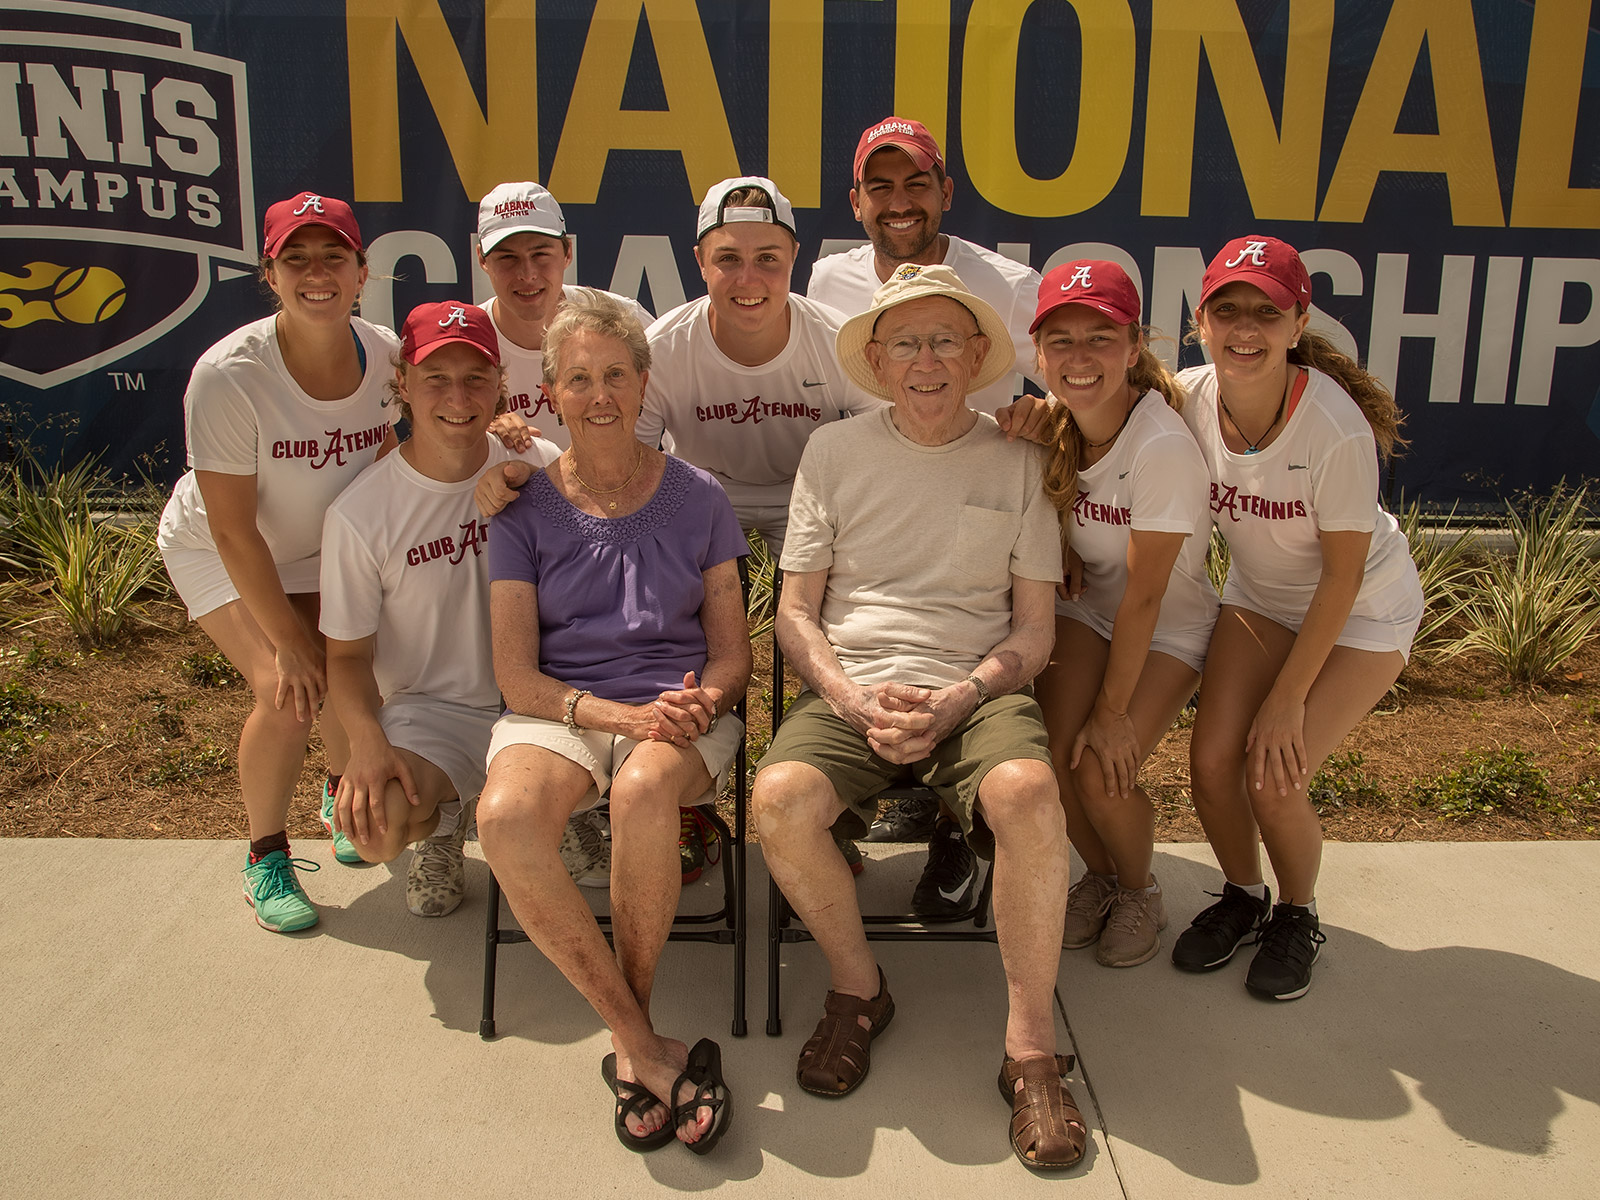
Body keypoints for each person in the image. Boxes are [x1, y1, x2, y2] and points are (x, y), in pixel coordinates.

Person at [752, 264, 1085, 1172]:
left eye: (946, 341)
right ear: (877, 357)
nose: (927, 359)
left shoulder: (1020, 458)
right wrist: (850, 696)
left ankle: (1028, 1050)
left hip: (973, 690)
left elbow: (1034, 628)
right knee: (778, 800)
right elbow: (794, 612)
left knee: (1027, 794)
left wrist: (961, 696)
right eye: (906, 341)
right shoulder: (834, 452)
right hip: (853, 683)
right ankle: (859, 991)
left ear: (979, 356)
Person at [474, 289, 751, 1154]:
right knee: (504, 816)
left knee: (641, 794)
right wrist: (609, 713)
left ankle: (630, 1042)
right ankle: (643, 1046)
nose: (600, 395)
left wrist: (702, 699)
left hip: (677, 715)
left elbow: (733, 654)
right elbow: (516, 677)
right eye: (579, 378)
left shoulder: (701, 497)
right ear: (550, 392)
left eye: (617, 376)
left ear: (643, 383)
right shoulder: (519, 509)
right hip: (563, 709)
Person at [1174, 235, 1422, 1000]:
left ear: (1297, 320)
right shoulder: (1185, 396)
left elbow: (1342, 578)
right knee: (1212, 764)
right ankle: (1244, 896)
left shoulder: (1336, 430)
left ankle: (1297, 912)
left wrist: (1286, 699)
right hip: (1261, 597)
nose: (1244, 328)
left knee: (1273, 777)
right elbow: (1088, 406)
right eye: (1227, 310)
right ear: (1201, 318)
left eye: (1266, 312)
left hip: (1362, 613)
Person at [157, 191, 398, 933]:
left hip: (320, 547)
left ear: (362, 272)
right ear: (270, 273)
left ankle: (336, 790)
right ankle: (265, 856)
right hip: (222, 549)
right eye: (296, 259)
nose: (316, 273)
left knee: (355, 670)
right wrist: (290, 644)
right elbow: (233, 530)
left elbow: (391, 465)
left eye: (334, 258)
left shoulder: (386, 354)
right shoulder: (230, 374)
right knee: (288, 691)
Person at [318, 301, 570, 918]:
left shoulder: (536, 463)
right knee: (374, 832)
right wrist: (367, 743)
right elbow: (346, 660)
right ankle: (443, 824)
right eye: (436, 377)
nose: (457, 395)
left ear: (500, 385)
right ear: (402, 383)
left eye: (476, 378)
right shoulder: (360, 513)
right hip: (432, 711)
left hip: (541, 701)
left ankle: (566, 816)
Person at [1028, 261, 1219, 968]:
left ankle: (1140, 889)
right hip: (1088, 615)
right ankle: (1100, 878)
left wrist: (1112, 711)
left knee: (1099, 767)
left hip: (1168, 627)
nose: (1081, 359)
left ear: (1134, 346)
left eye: (1100, 338)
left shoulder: (1161, 444)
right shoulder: (1053, 422)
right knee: (1046, 760)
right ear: (1039, 352)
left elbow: (1145, 597)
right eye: (1062, 340)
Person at [635, 175, 881, 558]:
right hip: (698, 491)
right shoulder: (660, 350)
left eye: (768, 258)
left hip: (810, 493)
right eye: (728, 259)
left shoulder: (838, 341)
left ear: (793, 255)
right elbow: (631, 465)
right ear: (700, 261)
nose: (748, 280)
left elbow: (883, 454)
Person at [806, 116, 1044, 417]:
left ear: (945, 193)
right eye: (881, 188)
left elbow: (1082, 384)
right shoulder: (829, 280)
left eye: (916, 185)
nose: (900, 204)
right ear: (856, 203)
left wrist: (1046, 413)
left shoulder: (1009, 285)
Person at [474, 180, 652, 452]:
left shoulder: (623, 319)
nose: (527, 273)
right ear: (482, 260)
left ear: (567, 252)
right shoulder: (467, 340)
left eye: (541, 254)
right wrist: (477, 431)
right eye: (507, 258)